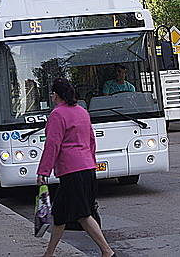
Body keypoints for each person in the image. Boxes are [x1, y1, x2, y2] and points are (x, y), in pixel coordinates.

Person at [37, 78, 115, 257]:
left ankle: (108, 252)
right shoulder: (82, 112)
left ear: (56, 95)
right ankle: (49, 253)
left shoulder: (57, 114)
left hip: (71, 170)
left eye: (52, 93)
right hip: (87, 167)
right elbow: (91, 140)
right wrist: (91, 162)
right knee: (60, 214)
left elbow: (52, 145)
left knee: (83, 214)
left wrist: (43, 171)